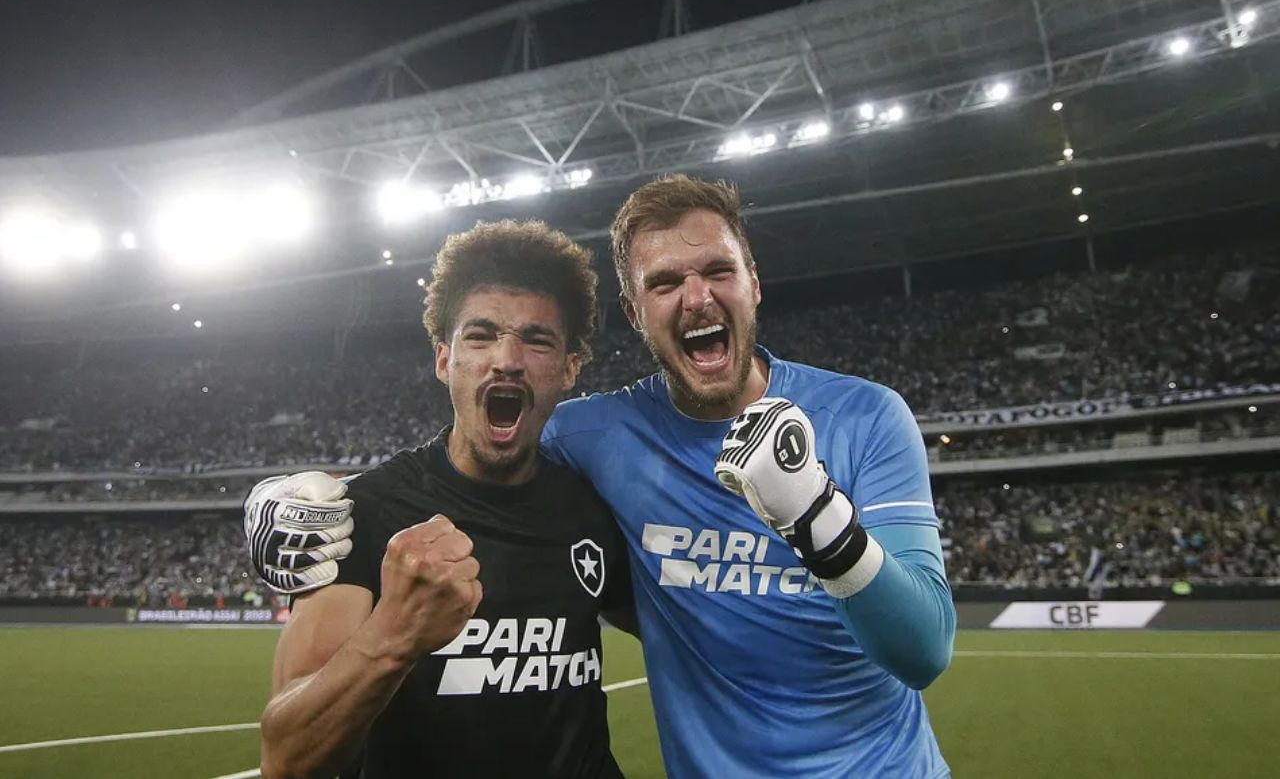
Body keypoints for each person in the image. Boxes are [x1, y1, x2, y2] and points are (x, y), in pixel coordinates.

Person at [248, 175, 956, 778]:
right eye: (666, 282)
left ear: (753, 283)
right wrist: (325, 492)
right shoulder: (575, 442)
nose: (698, 297)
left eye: (717, 270)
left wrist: (816, 511)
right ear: (636, 312)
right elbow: (288, 750)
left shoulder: (864, 416)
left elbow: (923, 650)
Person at [254, 220, 630, 779]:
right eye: (480, 336)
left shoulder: (596, 507)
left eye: (537, 338)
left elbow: (699, 628)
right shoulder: (367, 513)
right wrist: (396, 632)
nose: (507, 358)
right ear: (444, 360)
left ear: (569, 368)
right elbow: (287, 758)